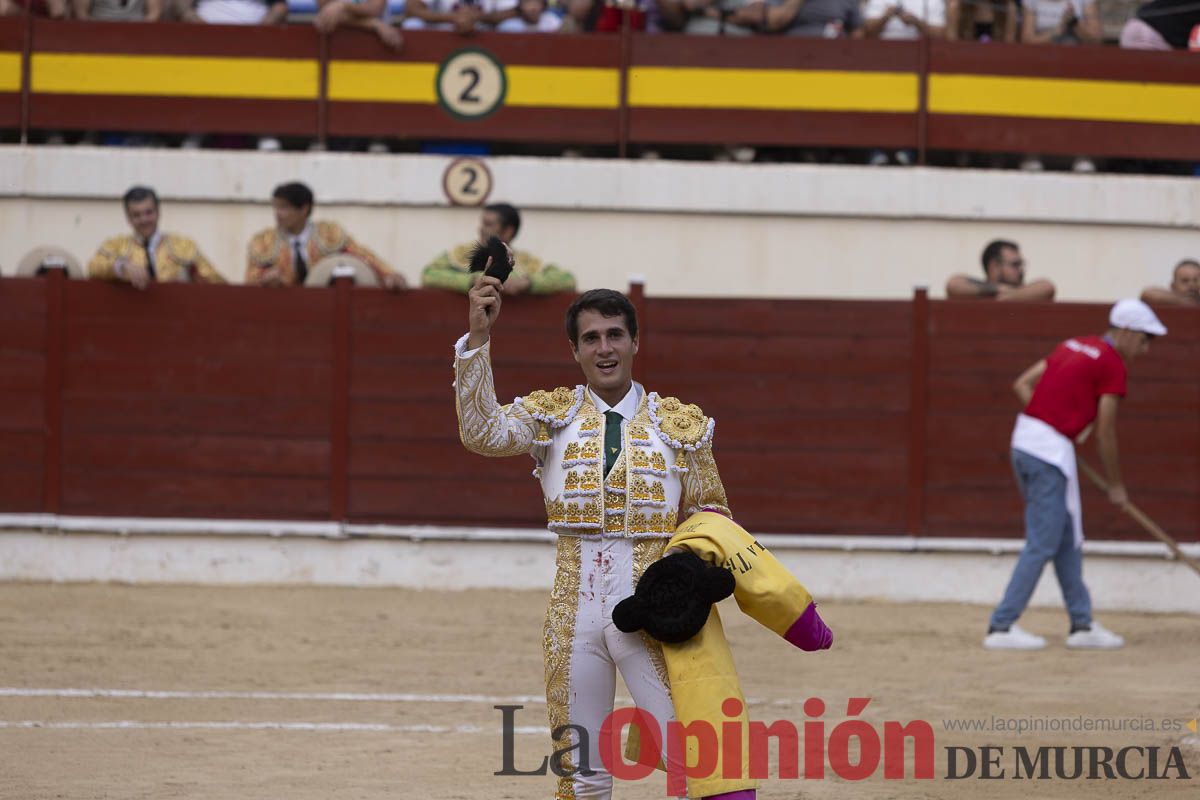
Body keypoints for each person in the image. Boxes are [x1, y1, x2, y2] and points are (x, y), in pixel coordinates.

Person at [454, 278, 756, 798]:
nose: (605, 348)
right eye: (591, 338)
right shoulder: (551, 417)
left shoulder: (679, 425)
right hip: (572, 617)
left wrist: (682, 580)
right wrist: (478, 341)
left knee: (689, 758)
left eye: (615, 335)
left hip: (654, 614)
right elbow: (483, 433)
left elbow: (713, 515)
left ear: (635, 342)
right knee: (582, 771)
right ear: (574, 351)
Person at [984, 299, 1167, 651]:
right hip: (1048, 455)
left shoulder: (1072, 344)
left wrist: (1051, 424)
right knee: (1043, 540)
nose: (1145, 349)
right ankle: (1002, 625)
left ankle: (1081, 624)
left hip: (1027, 443)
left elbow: (1022, 384)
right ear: (1126, 332)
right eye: (1145, 340)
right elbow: (1105, 432)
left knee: (1066, 539)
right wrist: (1116, 486)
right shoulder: (1113, 363)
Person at [245, 182, 406, 290]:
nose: (278, 214)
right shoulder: (263, 242)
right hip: (282, 312)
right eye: (276, 207)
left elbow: (362, 257)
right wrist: (264, 279)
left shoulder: (329, 235)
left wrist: (389, 274)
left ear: (304, 209)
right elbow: (250, 280)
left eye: (284, 208)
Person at [421, 202, 575, 295]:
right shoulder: (462, 254)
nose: (481, 229)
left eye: (488, 225)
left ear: (508, 231)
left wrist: (528, 283)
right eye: (483, 223)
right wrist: (472, 281)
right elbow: (428, 274)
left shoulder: (527, 262)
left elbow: (567, 279)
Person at [87, 186, 226, 289]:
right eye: (137, 215)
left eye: (149, 213)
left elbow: (217, 282)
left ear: (158, 213)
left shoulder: (184, 246)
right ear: (128, 219)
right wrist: (121, 266)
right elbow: (92, 268)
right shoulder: (115, 246)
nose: (144, 220)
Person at [945, 239, 1057, 302]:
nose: (1020, 270)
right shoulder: (979, 291)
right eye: (1015, 264)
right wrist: (998, 289)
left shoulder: (1025, 294)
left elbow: (1047, 287)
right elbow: (953, 284)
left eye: (1021, 264)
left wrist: (1011, 295)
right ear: (995, 266)